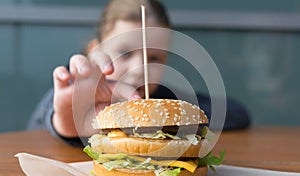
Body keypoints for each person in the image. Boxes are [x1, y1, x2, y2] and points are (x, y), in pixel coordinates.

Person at [27, 0, 250, 146]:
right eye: (125, 53)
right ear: (95, 51)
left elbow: (238, 113)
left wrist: (175, 119)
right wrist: (66, 125)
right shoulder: (73, 94)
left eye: (154, 58)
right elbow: (48, 126)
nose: (141, 68)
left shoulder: (162, 99)